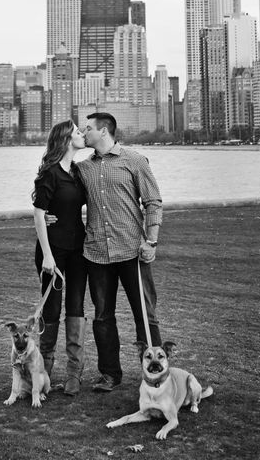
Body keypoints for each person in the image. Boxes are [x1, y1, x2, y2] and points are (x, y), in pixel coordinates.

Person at [76, 112, 162, 392]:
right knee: (102, 316)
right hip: (97, 254)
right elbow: (64, 197)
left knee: (145, 316)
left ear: (103, 131)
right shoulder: (83, 169)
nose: (83, 132)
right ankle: (110, 375)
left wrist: (151, 242)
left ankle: (156, 374)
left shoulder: (134, 160)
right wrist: (48, 215)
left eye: (87, 128)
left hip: (132, 252)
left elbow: (153, 202)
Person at [31, 120, 89, 396]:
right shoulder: (49, 174)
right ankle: (43, 374)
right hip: (52, 253)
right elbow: (39, 214)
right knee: (51, 311)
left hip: (79, 251)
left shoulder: (78, 172)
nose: (82, 135)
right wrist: (47, 257)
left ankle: (74, 376)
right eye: (78, 132)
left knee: (76, 309)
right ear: (66, 139)